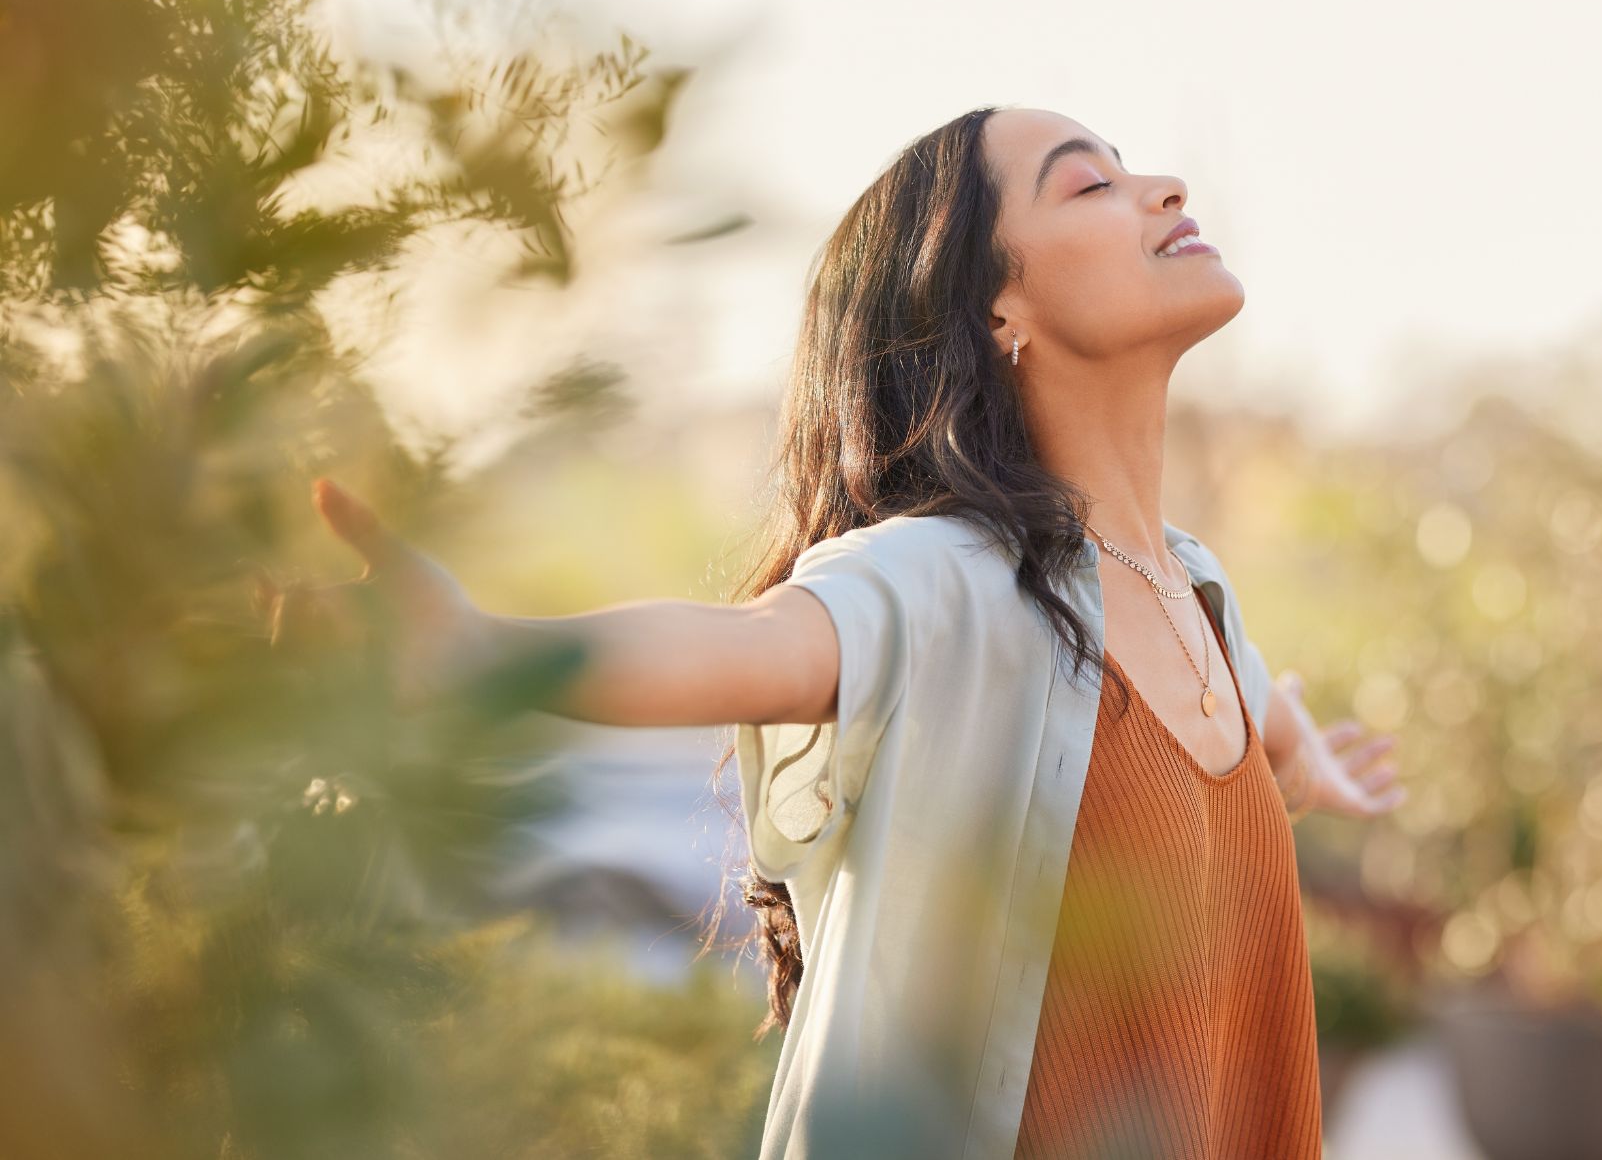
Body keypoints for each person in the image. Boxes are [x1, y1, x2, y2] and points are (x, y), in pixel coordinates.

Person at [278, 105, 1406, 1159]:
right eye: (1091, 186)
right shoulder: (949, 580)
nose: (1164, 189)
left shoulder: (1196, 593)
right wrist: (482, 654)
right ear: (996, 309)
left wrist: (1291, 750)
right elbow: (749, 648)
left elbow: (1236, 711)